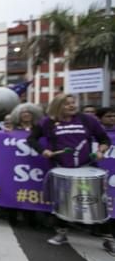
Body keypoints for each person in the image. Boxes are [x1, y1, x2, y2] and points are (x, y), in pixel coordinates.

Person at [26, 93, 112, 250]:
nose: (72, 106)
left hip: (87, 167)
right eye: (67, 104)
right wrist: (43, 150)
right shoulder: (48, 122)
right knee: (62, 202)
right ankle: (62, 233)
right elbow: (31, 139)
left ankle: (107, 238)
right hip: (61, 169)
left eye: (73, 103)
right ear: (58, 106)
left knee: (97, 202)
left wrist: (101, 150)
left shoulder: (87, 120)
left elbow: (104, 139)